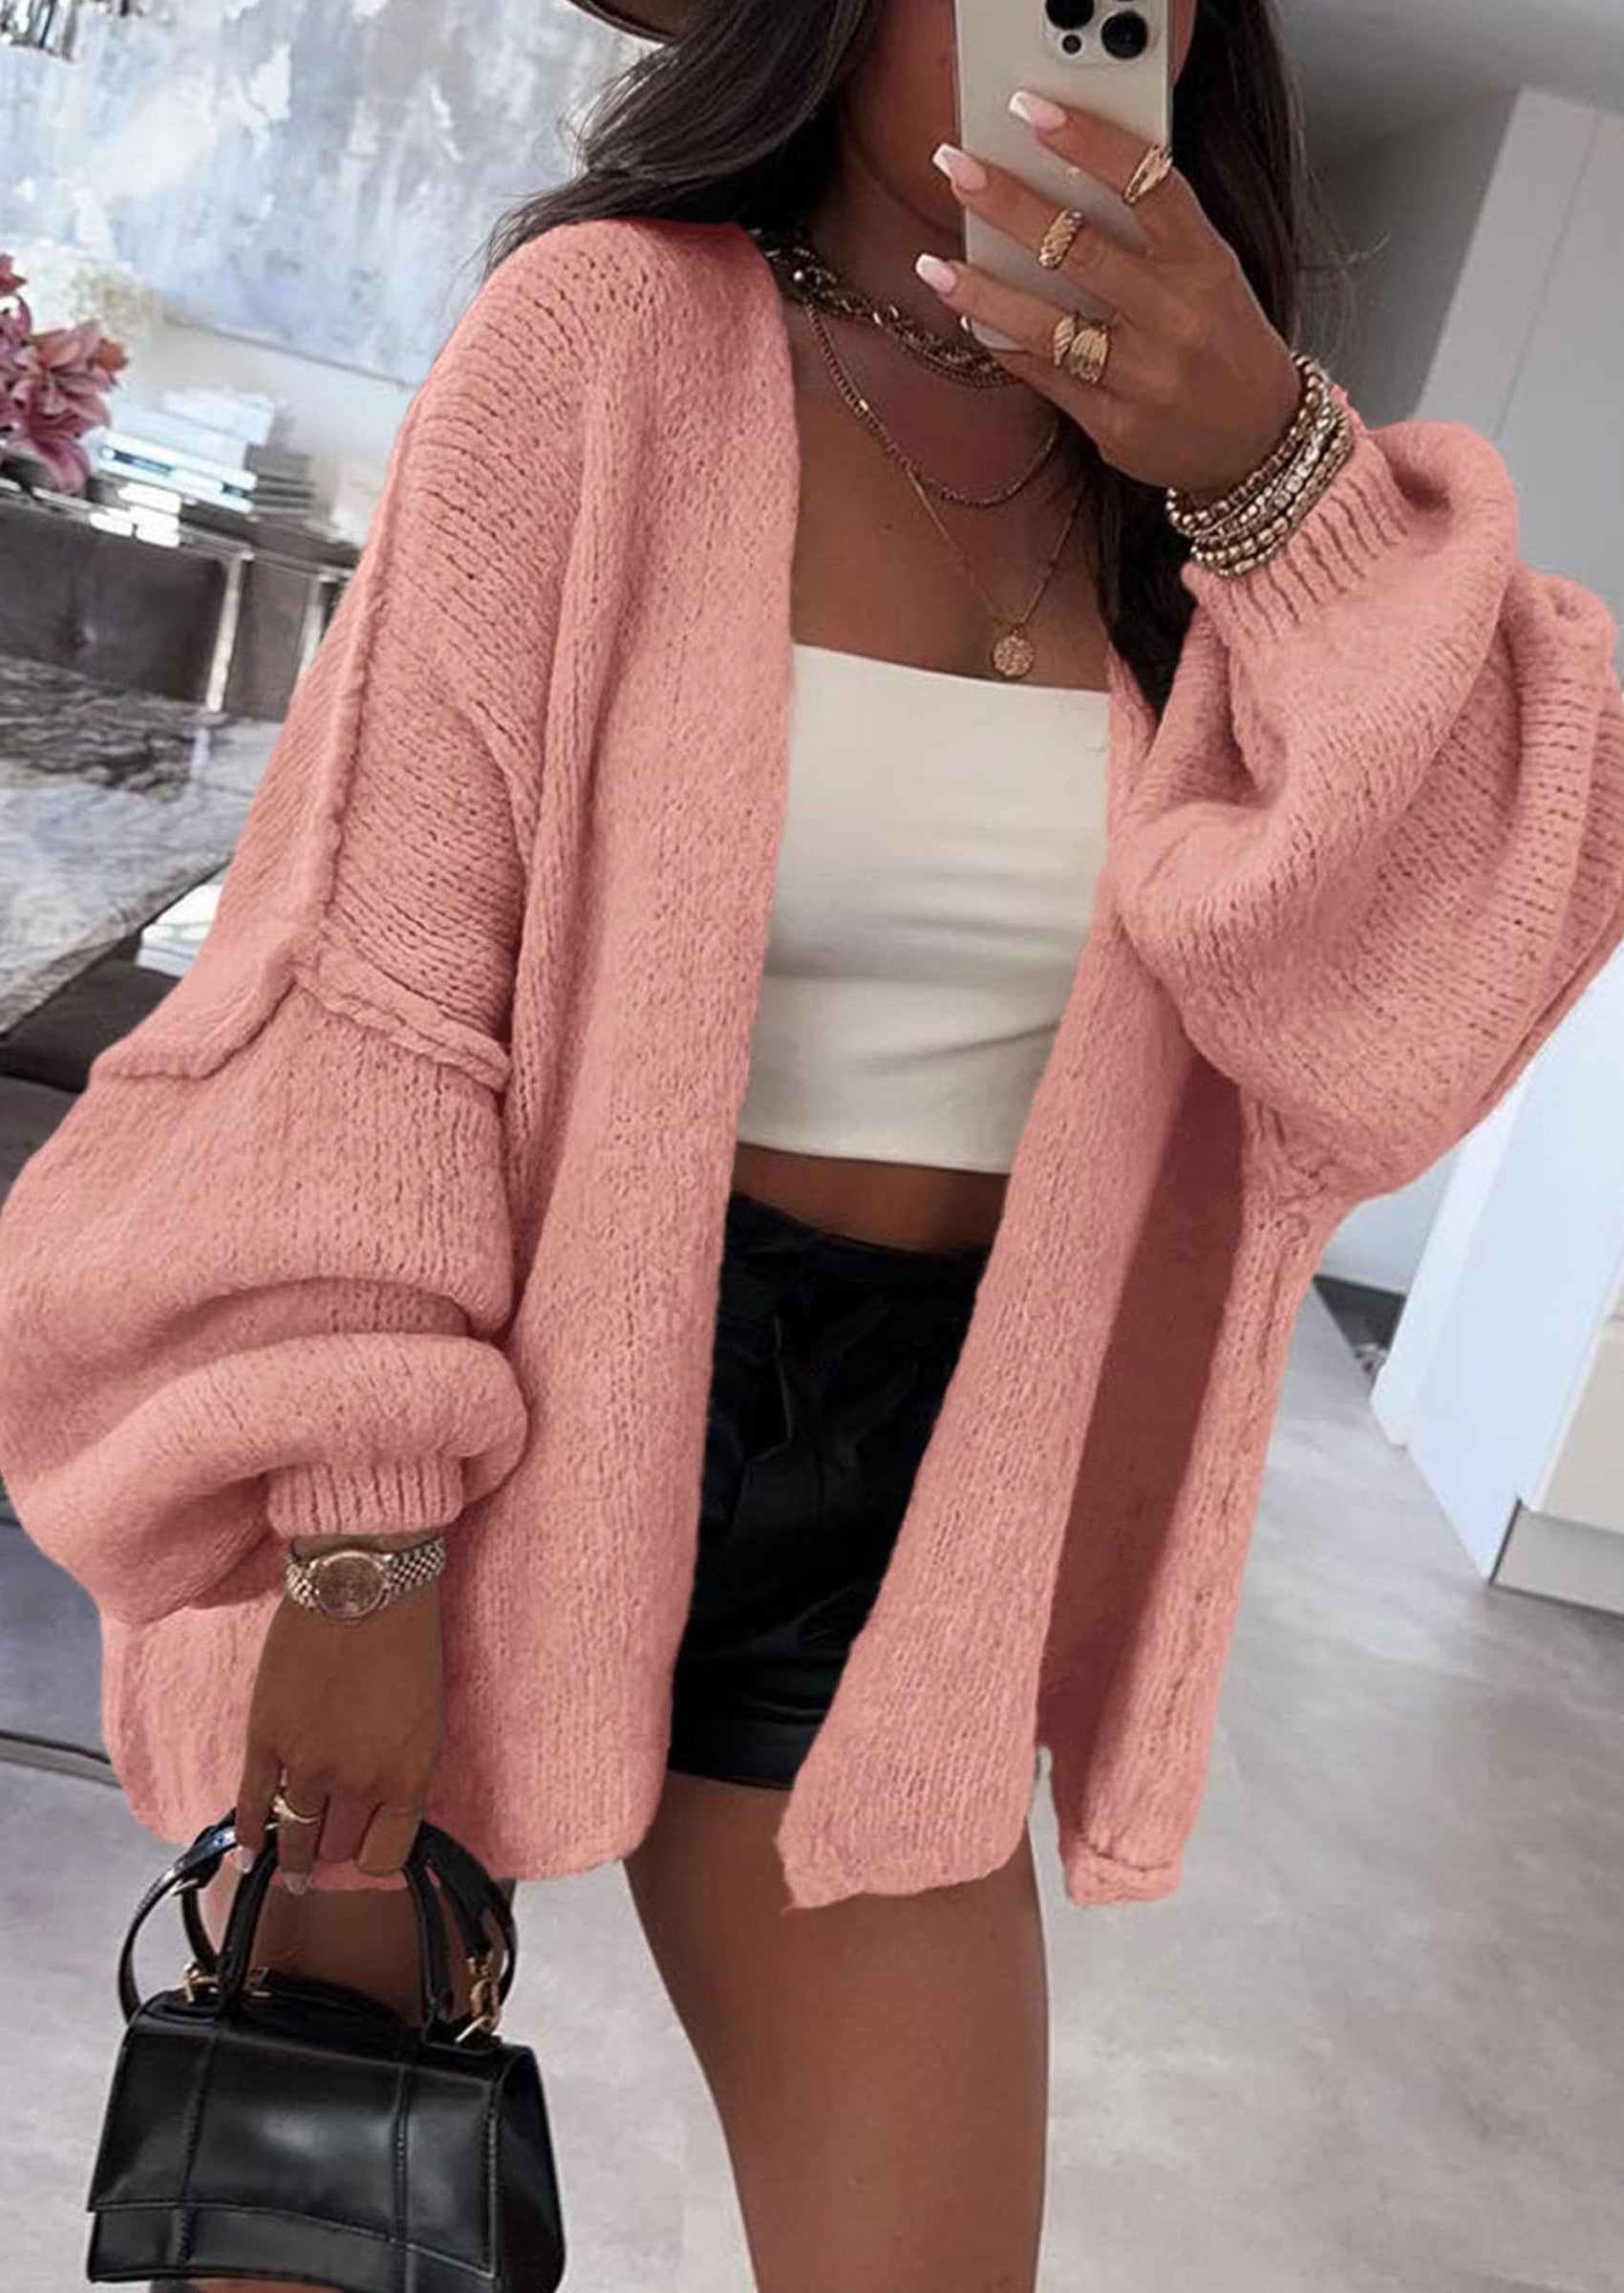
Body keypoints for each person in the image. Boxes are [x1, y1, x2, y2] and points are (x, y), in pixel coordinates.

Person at [2, 2, 1622, 2289]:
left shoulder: (1221, 477)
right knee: (305, 2213)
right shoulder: (605, 340)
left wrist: (1276, 485)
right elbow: (380, 981)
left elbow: (1418, 1016)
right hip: (488, 1418)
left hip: (908, 1497)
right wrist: (358, 1543)